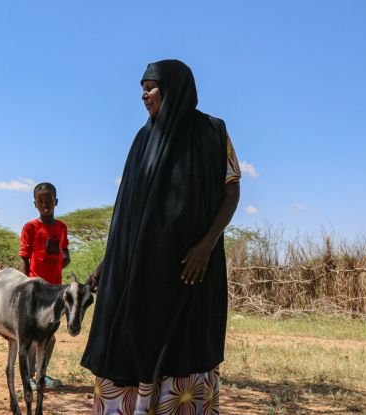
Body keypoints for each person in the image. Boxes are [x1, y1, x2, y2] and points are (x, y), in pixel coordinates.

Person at [81, 59, 241, 414]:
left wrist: (206, 245)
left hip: (191, 272)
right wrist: (110, 261)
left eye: (150, 88)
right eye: (142, 88)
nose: (143, 96)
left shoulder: (213, 132)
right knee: (134, 341)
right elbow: (131, 213)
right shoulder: (143, 139)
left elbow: (231, 192)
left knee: (183, 348)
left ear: (174, 89)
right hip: (141, 271)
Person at [19, 182, 71, 387]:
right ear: (35, 204)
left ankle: (42, 374)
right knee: (32, 335)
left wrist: (58, 266)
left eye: (48, 200)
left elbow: (66, 254)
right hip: (35, 290)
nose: (45, 204)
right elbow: (24, 257)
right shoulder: (30, 227)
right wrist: (25, 285)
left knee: (50, 335)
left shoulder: (62, 227)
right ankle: (28, 377)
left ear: (56, 201)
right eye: (40, 201)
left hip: (56, 291)